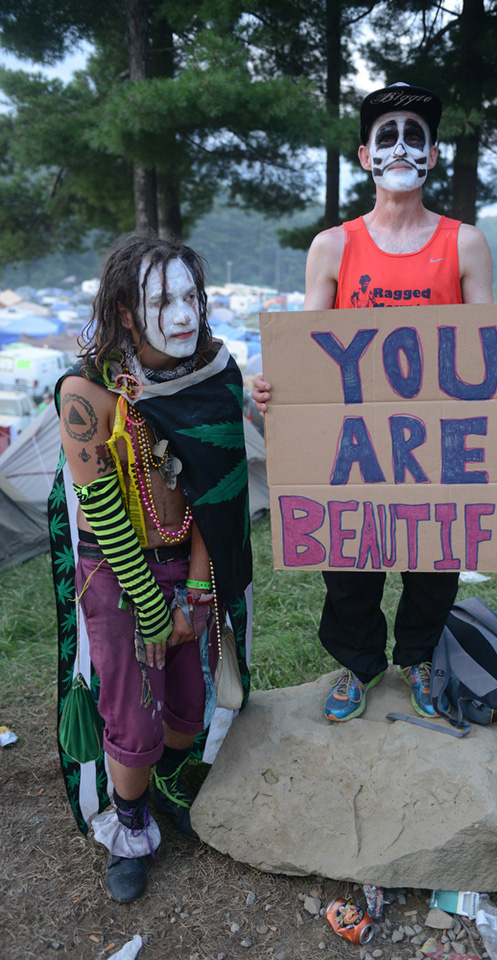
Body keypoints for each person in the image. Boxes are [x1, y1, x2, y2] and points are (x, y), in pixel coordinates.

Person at [253, 81, 497, 724]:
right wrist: (275, 385)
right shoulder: (333, 246)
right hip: (355, 447)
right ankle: (358, 663)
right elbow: (310, 349)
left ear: (431, 156)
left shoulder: (465, 243)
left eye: (415, 136)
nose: (402, 146)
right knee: (349, 564)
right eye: (387, 135)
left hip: (439, 445)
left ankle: (420, 656)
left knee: (435, 558)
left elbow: (492, 347)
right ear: (366, 156)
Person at [49, 235, 252, 903]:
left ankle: (157, 785)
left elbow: (218, 497)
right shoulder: (88, 393)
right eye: (162, 299)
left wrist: (198, 585)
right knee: (132, 721)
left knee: (187, 713)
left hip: (190, 566)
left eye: (190, 294)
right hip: (116, 574)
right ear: (127, 312)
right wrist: (150, 605)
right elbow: (100, 511)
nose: (184, 311)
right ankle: (129, 824)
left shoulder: (214, 378)